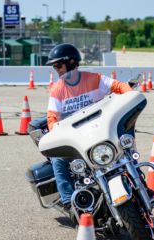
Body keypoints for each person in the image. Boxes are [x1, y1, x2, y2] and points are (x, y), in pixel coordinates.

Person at [30, 43, 133, 210]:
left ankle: (137, 180)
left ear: (71, 63)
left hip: (99, 132)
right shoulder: (57, 90)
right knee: (58, 159)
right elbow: (52, 117)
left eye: (58, 65)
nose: (56, 70)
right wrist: (55, 133)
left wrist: (131, 94)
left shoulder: (94, 79)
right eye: (54, 67)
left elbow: (118, 86)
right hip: (75, 138)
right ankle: (69, 202)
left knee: (125, 143)